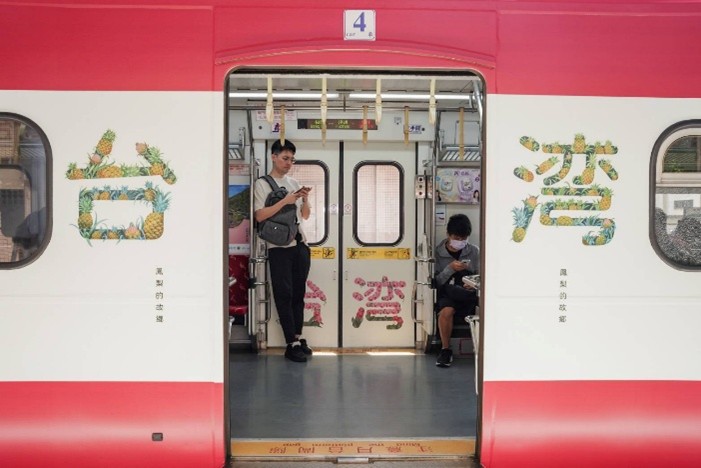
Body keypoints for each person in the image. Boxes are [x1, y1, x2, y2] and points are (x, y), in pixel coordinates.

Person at [254, 139, 313, 363]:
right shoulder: (263, 184)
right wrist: (286, 201)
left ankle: (298, 336)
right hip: (279, 247)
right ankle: (290, 343)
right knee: (284, 294)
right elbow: (260, 215)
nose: (289, 163)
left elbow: (304, 216)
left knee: (298, 294)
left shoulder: (293, 182)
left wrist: (304, 199)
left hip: (300, 245)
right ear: (274, 157)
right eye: (285, 158)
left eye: (292, 159)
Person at [434, 214, 479, 368]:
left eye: (463, 238)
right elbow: (437, 282)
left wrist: (472, 283)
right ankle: (445, 350)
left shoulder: (474, 251)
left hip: (469, 293)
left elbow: (481, 276)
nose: (460, 241)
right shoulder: (438, 253)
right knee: (446, 311)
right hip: (449, 292)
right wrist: (450, 268)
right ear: (448, 235)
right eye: (456, 238)